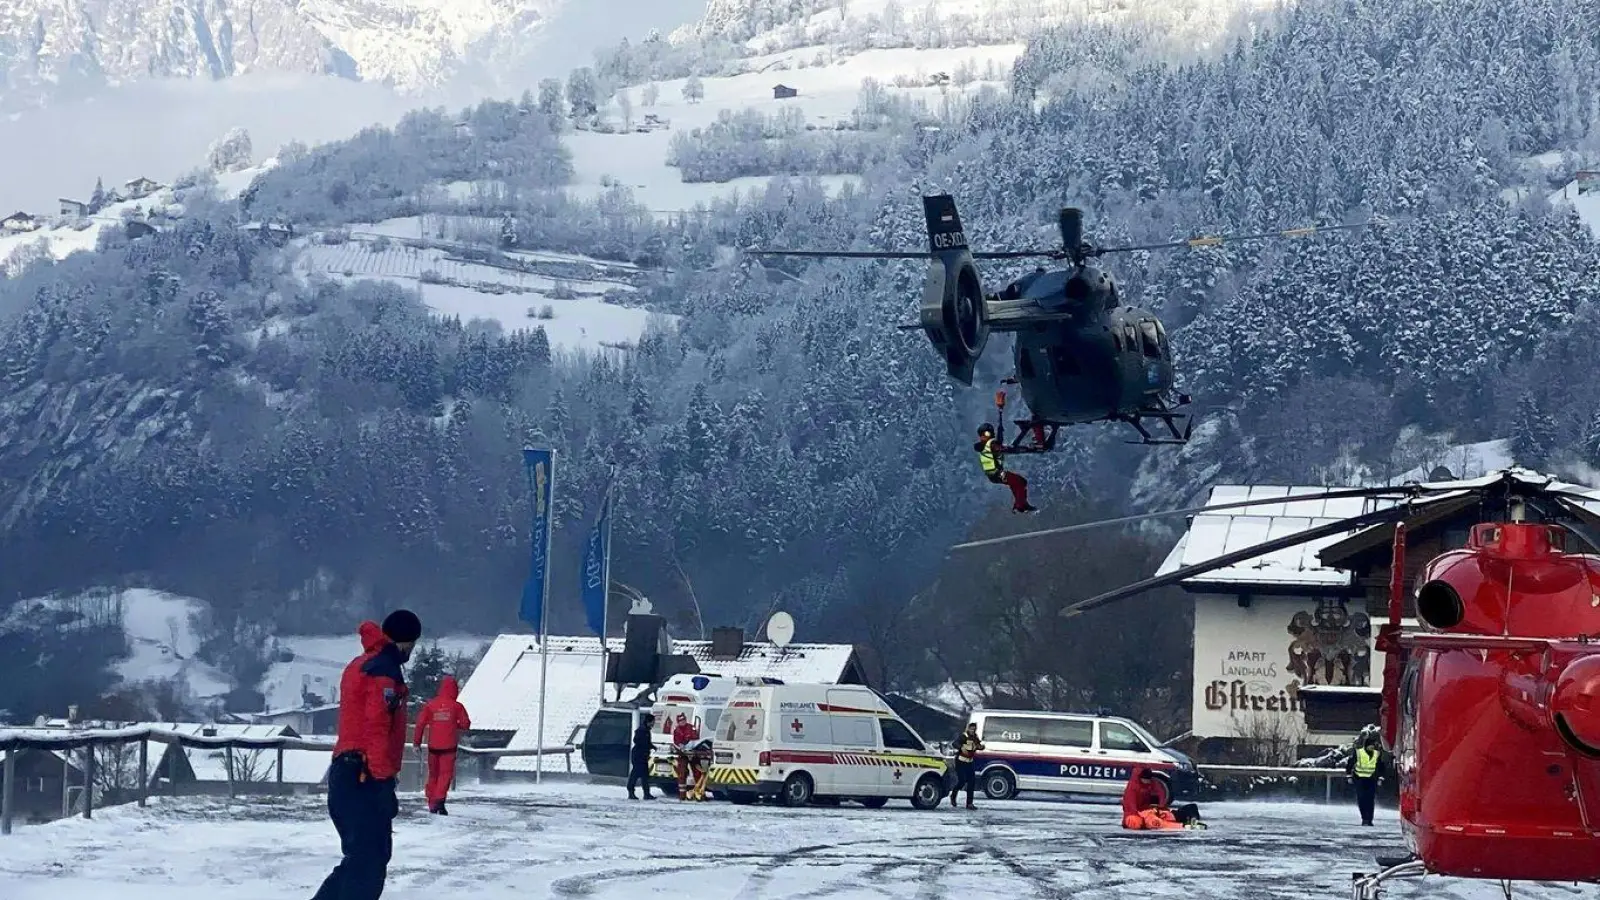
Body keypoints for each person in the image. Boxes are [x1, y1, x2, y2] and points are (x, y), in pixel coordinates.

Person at [313, 610, 422, 900]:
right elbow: (377, 727)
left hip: (347, 771)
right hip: (362, 775)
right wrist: (383, 782)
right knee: (368, 864)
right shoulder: (384, 671)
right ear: (406, 642)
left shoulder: (361, 664)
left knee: (360, 860)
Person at [413, 674, 471, 815]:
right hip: (449, 747)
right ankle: (440, 800)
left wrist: (417, 743)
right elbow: (465, 724)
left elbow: (420, 724)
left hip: (433, 747)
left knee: (433, 774)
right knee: (445, 775)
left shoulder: (431, 705)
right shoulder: (457, 707)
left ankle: (432, 802)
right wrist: (454, 725)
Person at [975, 424, 1037, 513]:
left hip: (995, 475)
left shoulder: (985, 446)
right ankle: (1020, 505)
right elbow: (998, 446)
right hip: (997, 474)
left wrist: (1000, 430)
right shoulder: (989, 445)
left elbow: (998, 443)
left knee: (1018, 482)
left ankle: (1020, 504)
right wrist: (1016, 449)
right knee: (1019, 482)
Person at [1120, 766, 1203, 830]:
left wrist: (1158, 808)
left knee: (1191, 807)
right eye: (1146, 779)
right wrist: (1183, 826)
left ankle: (1191, 820)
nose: (1148, 781)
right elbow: (1130, 805)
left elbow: (1158, 798)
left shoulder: (1151, 785)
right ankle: (1186, 824)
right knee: (1156, 822)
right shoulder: (1132, 789)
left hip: (1154, 811)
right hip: (1141, 814)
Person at [1346, 731, 1388, 826]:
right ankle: (1364, 818)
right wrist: (1349, 776)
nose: (1372, 747)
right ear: (1366, 746)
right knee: (1362, 799)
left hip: (1371, 779)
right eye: (1370, 746)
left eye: (1373, 746)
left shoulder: (1376, 754)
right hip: (1359, 779)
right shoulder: (1359, 753)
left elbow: (1381, 766)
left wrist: (1381, 778)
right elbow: (1350, 764)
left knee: (1370, 799)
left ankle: (1369, 819)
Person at [950, 722, 984, 808]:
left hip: (970, 762)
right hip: (960, 761)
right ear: (968, 729)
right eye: (971, 729)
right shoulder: (963, 736)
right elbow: (954, 743)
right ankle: (953, 795)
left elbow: (978, 745)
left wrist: (981, 747)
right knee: (962, 781)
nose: (972, 731)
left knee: (972, 782)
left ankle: (969, 803)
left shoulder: (975, 737)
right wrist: (961, 747)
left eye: (974, 729)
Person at [627, 712, 656, 800]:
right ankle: (631, 792)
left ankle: (647, 794)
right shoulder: (642, 730)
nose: (653, 724)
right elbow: (637, 740)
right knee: (635, 774)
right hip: (638, 756)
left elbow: (646, 742)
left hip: (643, 756)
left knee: (645, 776)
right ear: (649, 722)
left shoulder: (646, 730)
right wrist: (645, 747)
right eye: (653, 722)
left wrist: (652, 747)